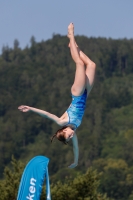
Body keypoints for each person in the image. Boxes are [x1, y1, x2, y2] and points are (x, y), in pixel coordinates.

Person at [18, 23, 96, 168]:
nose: (72, 135)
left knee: (79, 63)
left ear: (64, 130)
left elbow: (47, 114)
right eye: (71, 137)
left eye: (69, 135)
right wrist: (76, 161)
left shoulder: (62, 122)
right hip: (86, 94)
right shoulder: (74, 129)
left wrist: (30, 108)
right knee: (91, 65)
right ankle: (74, 46)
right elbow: (76, 148)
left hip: (78, 93)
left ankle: (71, 35)